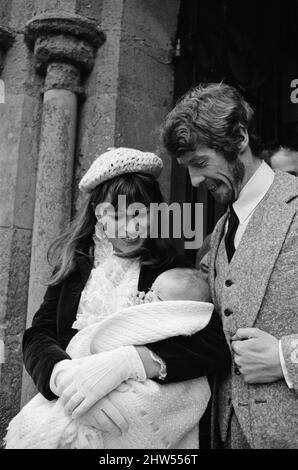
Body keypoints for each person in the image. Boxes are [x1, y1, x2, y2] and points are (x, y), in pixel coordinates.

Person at [14, 147, 230, 448]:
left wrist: (131, 361)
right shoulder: (75, 267)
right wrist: (61, 378)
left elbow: (213, 345)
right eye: (115, 216)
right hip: (71, 401)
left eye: (137, 214)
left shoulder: (173, 270)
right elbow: (38, 335)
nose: (129, 229)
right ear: (97, 217)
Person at [161, 83, 298, 449]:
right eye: (187, 168)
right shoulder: (220, 230)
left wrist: (286, 359)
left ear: (239, 138)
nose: (193, 180)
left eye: (201, 163)